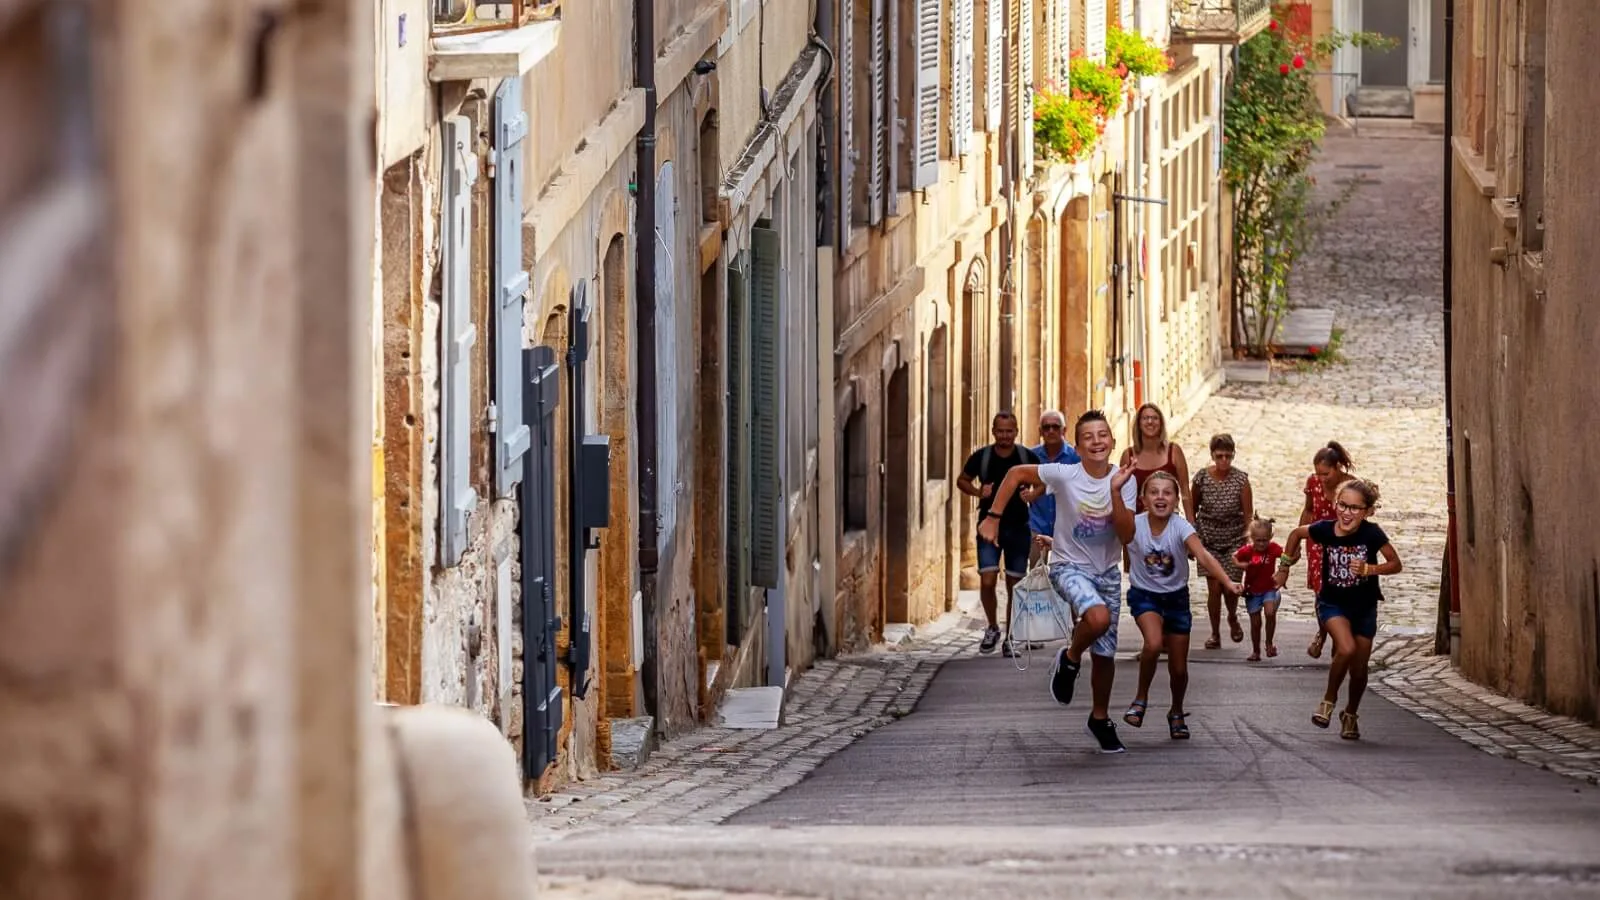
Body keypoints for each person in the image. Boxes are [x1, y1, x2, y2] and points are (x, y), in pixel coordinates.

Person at [980, 410, 1136, 754]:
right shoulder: (1066, 474)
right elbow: (1016, 473)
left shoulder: (1124, 479)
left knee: (1106, 653)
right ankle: (1069, 657)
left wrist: (1115, 491)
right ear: (1077, 446)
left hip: (1107, 572)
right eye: (1088, 437)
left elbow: (1125, 535)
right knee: (1097, 618)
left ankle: (1099, 718)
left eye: (1103, 435)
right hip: (1068, 566)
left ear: (1111, 442)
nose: (1096, 441)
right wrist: (993, 517)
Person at [1120, 471, 1243, 740]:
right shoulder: (1134, 524)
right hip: (1145, 596)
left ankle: (1176, 710)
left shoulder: (1181, 527)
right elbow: (1101, 540)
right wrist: (1056, 544)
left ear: (1176, 500)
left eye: (1167, 492)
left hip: (1176, 599)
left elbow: (1203, 556)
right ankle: (1141, 698)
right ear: (1143, 499)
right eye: (1154, 492)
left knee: (1178, 668)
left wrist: (1227, 581)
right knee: (1153, 643)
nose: (1160, 497)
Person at [1276, 478, 1401, 741]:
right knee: (1346, 648)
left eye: (1355, 508)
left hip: (1364, 607)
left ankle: (1351, 714)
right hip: (1332, 602)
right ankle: (1328, 701)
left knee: (1359, 669)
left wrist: (1370, 569)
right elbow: (1296, 534)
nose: (1347, 513)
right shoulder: (1325, 530)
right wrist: (1285, 566)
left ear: (1367, 511)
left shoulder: (1372, 534)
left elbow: (1395, 563)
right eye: (1343, 505)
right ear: (1335, 504)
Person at [958, 412, 1040, 656]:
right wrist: (977, 492)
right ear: (993, 431)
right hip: (988, 527)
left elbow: (1046, 479)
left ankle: (1011, 634)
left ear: (1016, 431)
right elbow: (962, 480)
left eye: (1009, 431)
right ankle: (992, 626)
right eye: (1000, 431)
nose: (1005, 436)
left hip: (1018, 526)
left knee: (1015, 582)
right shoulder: (982, 457)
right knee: (987, 578)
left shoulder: (1026, 457)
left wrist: (1033, 494)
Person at [1189, 433, 1253, 650]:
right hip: (1208, 539)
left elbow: (1247, 515)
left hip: (1235, 540)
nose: (1224, 460)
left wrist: (1248, 544)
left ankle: (1233, 615)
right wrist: (1193, 537)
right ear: (1212, 455)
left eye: (1228, 456)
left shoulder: (1241, 480)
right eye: (1219, 456)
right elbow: (1193, 508)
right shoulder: (1201, 478)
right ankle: (1215, 633)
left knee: (1230, 588)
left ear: (1233, 455)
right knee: (1214, 588)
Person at [1298, 442, 1356, 659]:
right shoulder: (1312, 483)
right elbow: (1309, 510)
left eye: (1326, 473)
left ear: (1338, 467)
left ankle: (1338, 637)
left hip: (1344, 544)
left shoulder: (1351, 486)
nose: (1321, 478)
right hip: (1318, 542)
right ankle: (1323, 633)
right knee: (1322, 591)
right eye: (1318, 473)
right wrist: (1297, 539)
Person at [1024, 409, 1081, 562]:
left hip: (1066, 526)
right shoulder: (1031, 456)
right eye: (1046, 427)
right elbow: (1022, 484)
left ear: (1064, 430)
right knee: (1036, 573)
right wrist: (1026, 494)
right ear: (1040, 431)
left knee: (1063, 573)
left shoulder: (1075, 457)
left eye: (1055, 427)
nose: (1051, 431)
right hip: (1037, 523)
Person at [1119, 403, 1192, 514]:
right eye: (1145, 418)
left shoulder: (1174, 452)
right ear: (1138, 424)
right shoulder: (1128, 456)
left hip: (1169, 522)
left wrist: (1191, 524)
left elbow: (1185, 490)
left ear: (1161, 423)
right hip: (1138, 524)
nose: (1150, 422)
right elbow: (1123, 495)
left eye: (1155, 418)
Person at [1234, 516, 1284, 662]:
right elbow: (1234, 557)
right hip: (1252, 591)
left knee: (1270, 612)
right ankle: (1256, 650)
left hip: (1269, 588)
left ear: (1270, 537)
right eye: (1258, 540)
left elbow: (1285, 555)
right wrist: (1241, 565)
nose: (1261, 544)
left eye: (1265, 540)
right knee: (1255, 624)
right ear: (1251, 538)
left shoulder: (1273, 548)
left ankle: (1269, 643)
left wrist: (1285, 568)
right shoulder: (1248, 551)